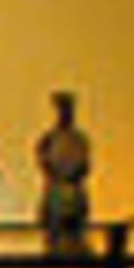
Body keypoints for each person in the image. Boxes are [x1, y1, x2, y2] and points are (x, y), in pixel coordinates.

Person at [36, 92, 94, 255]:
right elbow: (44, 163)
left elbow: (86, 166)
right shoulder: (48, 139)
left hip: (73, 192)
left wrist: (73, 177)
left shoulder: (80, 139)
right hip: (57, 192)